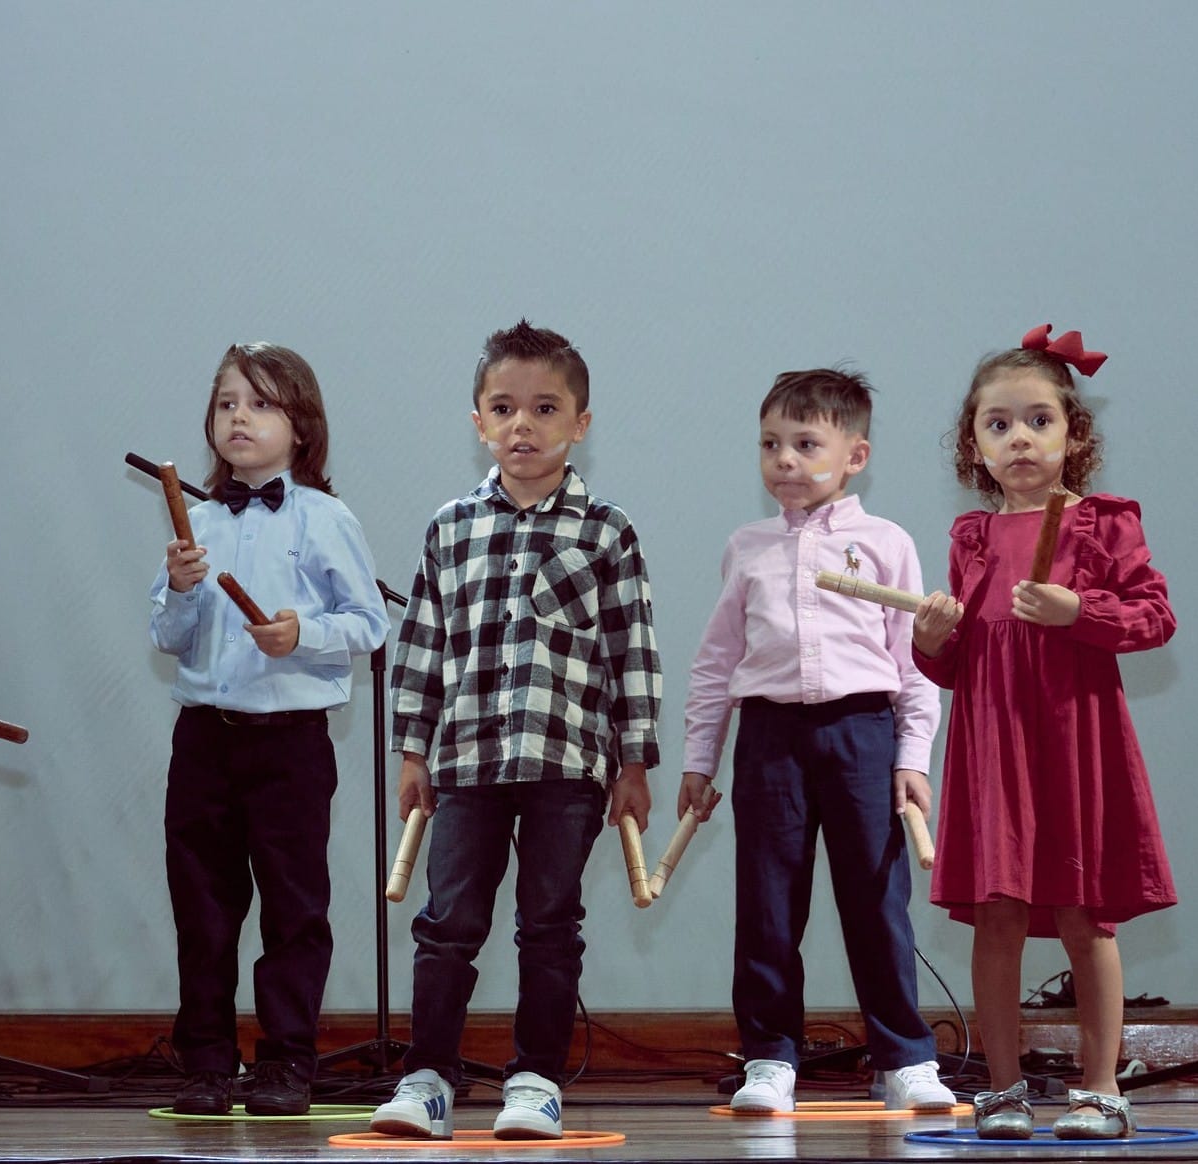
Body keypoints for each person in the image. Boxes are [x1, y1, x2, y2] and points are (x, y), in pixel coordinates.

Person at [375, 320, 659, 1140]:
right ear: (478, 423)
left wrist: (633, 760)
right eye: (503, 408)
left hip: (567, 764)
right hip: (464, 762)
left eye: (544, 408)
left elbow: (629, 649)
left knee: (548, 923)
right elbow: (423, 643)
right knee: (446, 924)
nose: (522, 425)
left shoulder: (605, 529)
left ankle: (533, 1079)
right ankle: (427, 1077)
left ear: (580, 424)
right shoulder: (450, 527)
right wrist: (411, 749)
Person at [912, 326, 1175, 1141]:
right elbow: (961, 666)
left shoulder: (1103, 524)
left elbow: (1154, 617)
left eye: (1036, 421)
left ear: (1072, 435)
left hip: (1073, 745)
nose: (1017, 438)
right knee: (994, 915)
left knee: (1080, 911)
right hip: (994, 752)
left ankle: (1100, 1089)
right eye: (997, 425)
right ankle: (1000, 1090)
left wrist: (1079, 612)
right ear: (973, 445)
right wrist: (929, 643)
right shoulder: (971, 539)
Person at [679, 368, 955, 1116]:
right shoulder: (747, 547)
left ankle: (904, 1056)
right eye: (770, 444)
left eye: (805, 443)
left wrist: (910, 758)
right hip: (769, 738)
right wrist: (699, 760)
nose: (784, 460)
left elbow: (915, 663)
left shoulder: (886, 543)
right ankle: (769, 1056)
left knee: (875, 900)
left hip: (862, 732)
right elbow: (715, 663)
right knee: (767, 906)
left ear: (854, 455)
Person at [149, 343, 388, 1117]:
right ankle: (206, 1065)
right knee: (204, 909)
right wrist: (181, 592)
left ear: (302, 424)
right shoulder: (200, 521)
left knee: (294, 911)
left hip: (289, 744)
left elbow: (368, 623)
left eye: (259, 403)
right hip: (204, 740)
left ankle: (287, 1063)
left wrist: (302, 634)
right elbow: (168, 637)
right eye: (225, 403)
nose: (238, 417)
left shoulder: (326, 517)